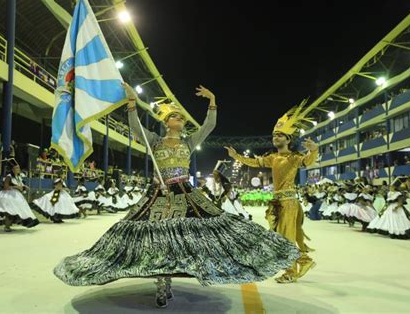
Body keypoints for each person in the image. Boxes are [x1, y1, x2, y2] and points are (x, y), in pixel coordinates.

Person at [54, 83, 300, 308]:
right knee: (155, 241)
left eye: (181, 117)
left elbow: (209, 126)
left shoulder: (189, 142)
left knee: (189, 239)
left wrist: (212, 101)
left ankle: (168, 279)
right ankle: (162, 283)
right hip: (158, 195)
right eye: (175, 116)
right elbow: (135, 127)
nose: (180, 119)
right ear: (166, 123)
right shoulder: (154, 141)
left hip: (185, 193)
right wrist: (131, 103)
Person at [226, 100, 319, 283]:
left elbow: (307, 162)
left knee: (286, 238)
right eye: (274, 135)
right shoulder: (272, 158)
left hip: (289, 202)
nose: (276, 138)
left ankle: (292, 271)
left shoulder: (293, 157)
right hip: (277, 202)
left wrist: (314, 150)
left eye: (280, 135)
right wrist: (235, 156)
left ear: (288, 139)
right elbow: (253, 162)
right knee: (278, 238)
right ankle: (303, 260)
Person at [0, 159, 39, 232]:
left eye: (19, 168)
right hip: (8, 195)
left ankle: (8, 225)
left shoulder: (18, 177)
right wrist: (16, 187)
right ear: (12, 169)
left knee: (15, 211)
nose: (18, 169)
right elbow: (5, 187)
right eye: (16, 168)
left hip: (16, 196)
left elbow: (20, 186)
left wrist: (24, 187)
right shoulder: (9, 176)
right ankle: (7, 226)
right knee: (9, 211)